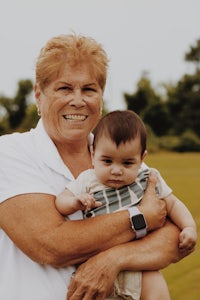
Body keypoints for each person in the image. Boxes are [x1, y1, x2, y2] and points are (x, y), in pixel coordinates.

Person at [0, 33, 196, 300]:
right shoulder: (10, 153)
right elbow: (50, 244)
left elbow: (173, 237)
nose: (78, 100)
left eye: (89, 89)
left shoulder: (116, 158)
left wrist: (112, 260)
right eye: (64, 88)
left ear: (101, 98)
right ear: (38, 94)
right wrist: (140, 218)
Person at [56, 109, 197, 299]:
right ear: (93, 153)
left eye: (127, 163)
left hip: (140, 265)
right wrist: (75, 202)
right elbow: (60, 201)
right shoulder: (88, 181)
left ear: (142, 159)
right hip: (96, 267)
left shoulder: (147, 178)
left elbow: (172, 204)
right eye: (107, 161)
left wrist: (188, 227)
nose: (116, 170)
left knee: (158, 293)